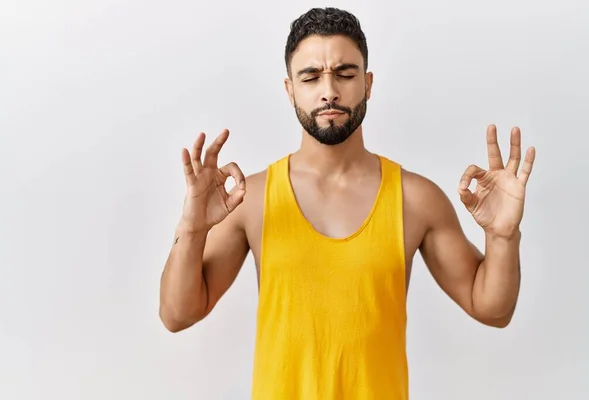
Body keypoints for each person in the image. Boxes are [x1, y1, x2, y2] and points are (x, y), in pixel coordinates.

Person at [158, 7, 536, 400]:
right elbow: (177, 314)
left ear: (368, 84)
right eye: (311, 76)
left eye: (345, 73)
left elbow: (492, 309)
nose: (329, 90)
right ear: (290, 90)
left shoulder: (416, 199)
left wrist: (503, 236)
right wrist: (192, 230)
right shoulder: (251, 199)